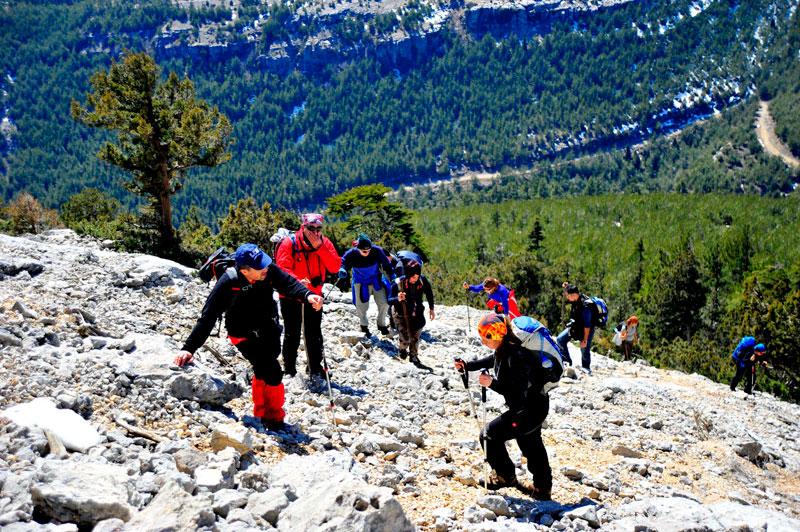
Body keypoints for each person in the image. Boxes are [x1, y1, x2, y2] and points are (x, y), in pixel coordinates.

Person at [174, 243, 323, 431]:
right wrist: (189, 348)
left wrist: (308, 295)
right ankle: (275, 419)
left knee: (264, 368)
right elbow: (208, 317)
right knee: (273, 371)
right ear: (245, 270)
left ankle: (261, 415)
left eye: (266, 264)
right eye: (260, 266)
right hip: (242, 333)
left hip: (268, 326)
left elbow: (288, 283)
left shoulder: (267, 271)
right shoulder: (228, 282)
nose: (266, 268)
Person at [454, 313, 553, 500]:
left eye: (486, 338)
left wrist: (491, 383)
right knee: (531, 445)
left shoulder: (516, 356)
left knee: (488, 435)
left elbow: (516, 396)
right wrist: (468, 366)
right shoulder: (507, 347)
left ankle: (505, 476)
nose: (483, 342)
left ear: (498, 335)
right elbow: (493, 360)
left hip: (527, 411)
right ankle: (542, 488)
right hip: (535, 406)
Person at [275, 213, 341, 382]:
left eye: (319, 228)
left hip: (315, 295)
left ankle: (315, 368)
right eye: (311, 228)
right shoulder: (289, 243)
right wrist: (298, 282)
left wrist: (319, 247)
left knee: (314, 332)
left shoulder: (324, 243)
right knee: (292, 332)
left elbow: (334, 267)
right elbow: (282, 271)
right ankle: (289, 368)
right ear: (303, 227)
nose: (315, 232)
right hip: (291, 294)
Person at [338, 233, 395, 338]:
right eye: (364, 251)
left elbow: (386, 264)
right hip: (360, 281)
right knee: (361, 306)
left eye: (368, 250)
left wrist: (392, 276)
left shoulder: (377, 251)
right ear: (358, 248)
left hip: (376, 279)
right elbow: (343, 261)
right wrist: (342, 269)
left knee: (384, 302)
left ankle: (381, 324)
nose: (367, 253)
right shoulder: (352, 253)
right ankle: (364, 326)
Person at [388, 260, 435, 365]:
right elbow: (389, 300)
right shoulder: (398, 283)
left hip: (417, 312)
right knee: (405, 338)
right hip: (400, 313)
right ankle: (402, 348)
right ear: (408, 275)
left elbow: (429, 292)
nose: (416, 279)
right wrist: (398, 299)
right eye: (413, 277)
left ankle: (413, 356)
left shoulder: (422, 280)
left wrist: (431, 308)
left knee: (415, 336)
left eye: (417, 276)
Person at [556, 282, 595, 373]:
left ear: (573, 295)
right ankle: (567, 362)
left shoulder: (585, 306)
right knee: (560, 339)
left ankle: (586, 367)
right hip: (576, 325)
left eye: (568, 296)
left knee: (584, 348)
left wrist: (584, 339)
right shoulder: (575, 297)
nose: (567, 297)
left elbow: (587, 326)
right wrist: (566, 287)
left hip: (587, 328)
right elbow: (569, 291)